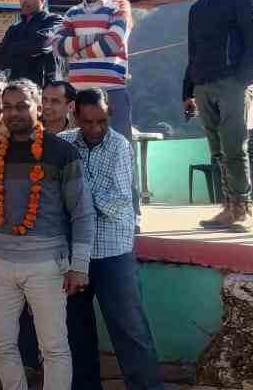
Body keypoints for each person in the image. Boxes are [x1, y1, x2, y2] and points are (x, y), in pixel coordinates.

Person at [0, 79, 96, 390]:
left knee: (52, 347)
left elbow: (82, 212)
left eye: (22, 106)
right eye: (8, 106)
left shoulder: (61, 153)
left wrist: (79, 265)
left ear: (38, 108)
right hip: (0, 264)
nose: (14, 113)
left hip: (47, 265)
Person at [59, 89, 162, 390]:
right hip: (74, 253)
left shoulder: (119, 146)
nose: (94, 129)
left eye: (101, 121)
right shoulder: (63, 144)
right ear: (75, 116)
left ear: (110, 117)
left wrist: (76, 196)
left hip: (112, 253)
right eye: (87, 121)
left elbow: (118, 202)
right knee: (76, 333)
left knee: (131, 332)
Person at [181, 0, 253, 233]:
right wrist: (188, 90)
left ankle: (242, 209)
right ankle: (227, 207)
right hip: (203, 85)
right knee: (217, 150)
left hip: (232, 83)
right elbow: (193, 53)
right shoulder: (197, 9)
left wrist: (244, 80)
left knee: (234, 147)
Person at [53, 0, 139, 218]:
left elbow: (113, 43)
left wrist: (75, 49)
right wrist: (93, 42)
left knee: (121, 152)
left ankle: (130, 216)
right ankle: (86, 211)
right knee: (80, 157)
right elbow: (57, 46)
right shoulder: (72, 12)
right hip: (79, 95)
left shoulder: (120, 6)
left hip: (112, 91)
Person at [0, 0, 65, 88]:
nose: (24, 0)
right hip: (17, 93)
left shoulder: (55, 21)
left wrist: (10, 48)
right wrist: (26, 47)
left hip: (46, 92)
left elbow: (39, 44)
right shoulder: (14, 28)